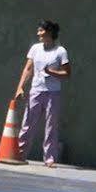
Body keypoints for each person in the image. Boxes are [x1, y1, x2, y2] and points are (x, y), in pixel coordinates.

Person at [15, 20, 70, 167]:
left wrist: (51, 71)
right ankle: (20, 154)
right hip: (36, 90)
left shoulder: (60, 51)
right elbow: (28, 69)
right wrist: (20, 87)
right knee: (27, 123)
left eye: (41, 31)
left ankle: (50, 158)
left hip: (53, 93)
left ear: (49, 32)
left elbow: (67, 73)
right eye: (38, 31)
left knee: (51, 125)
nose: (38, 33)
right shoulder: (35, 48)